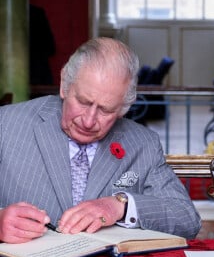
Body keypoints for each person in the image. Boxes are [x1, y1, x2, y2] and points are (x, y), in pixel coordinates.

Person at [0, 37, 201, 244]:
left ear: (124, 108)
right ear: (64, 85)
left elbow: (187, 220)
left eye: (106, 110)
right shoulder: (6, 124)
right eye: (83, 102)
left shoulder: (143, 144)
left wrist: (120, 206)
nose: (88, 121)